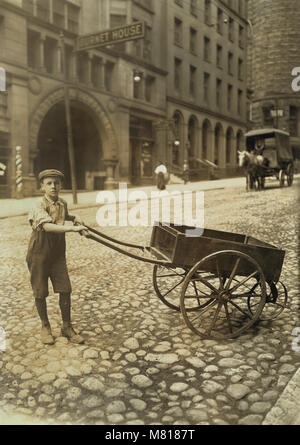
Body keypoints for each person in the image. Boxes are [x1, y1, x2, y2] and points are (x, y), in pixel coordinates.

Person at [26, 169, 88, 345]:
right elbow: (47, 226)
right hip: (39, 250)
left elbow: (63, 216)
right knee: (40, 290)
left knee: (65, 288)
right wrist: (73, 229)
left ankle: (66, 326)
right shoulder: (37, 205)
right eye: (49, 183)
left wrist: (75, 218)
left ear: (61, 185)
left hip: (57, 251)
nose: (53, 186)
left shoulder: (62, 203)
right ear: (42, 187)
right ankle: (45, 326)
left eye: (56, 183)